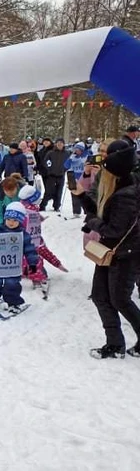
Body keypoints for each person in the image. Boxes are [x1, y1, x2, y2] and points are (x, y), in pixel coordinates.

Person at [72, 140, 140, 358]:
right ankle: (115, 343)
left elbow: (113, 229)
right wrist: (82, 196)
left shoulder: (127, 194)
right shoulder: (116, 186)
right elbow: (101, 214)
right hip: (108, 250)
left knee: (120, 299)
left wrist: (92, 221)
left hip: (125, 253)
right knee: (101, 296)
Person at [40, 138, 70, 212]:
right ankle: (42, 206)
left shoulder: (67, 153)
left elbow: (69, 163)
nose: (59, 144)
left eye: (61, 143)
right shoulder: (51, 152)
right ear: (56, 144)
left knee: (59, 192)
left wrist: (64, 169)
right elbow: (46, 161)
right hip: (51, 175)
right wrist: (49, 169)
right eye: (58, 143)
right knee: (48, 191)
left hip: (61, 175)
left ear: (63, 144)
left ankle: (56, 206)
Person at [65, 142, 88, 217]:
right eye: (76, 149)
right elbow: (66, 166)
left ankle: (87, 211)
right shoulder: (72, 156)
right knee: (74, 194)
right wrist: (70, 159)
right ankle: (76, 212)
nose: (77, 151)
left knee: (85, 195)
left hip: (83, 177)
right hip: (73, 177)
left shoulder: (86, 156)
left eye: (79, 149)